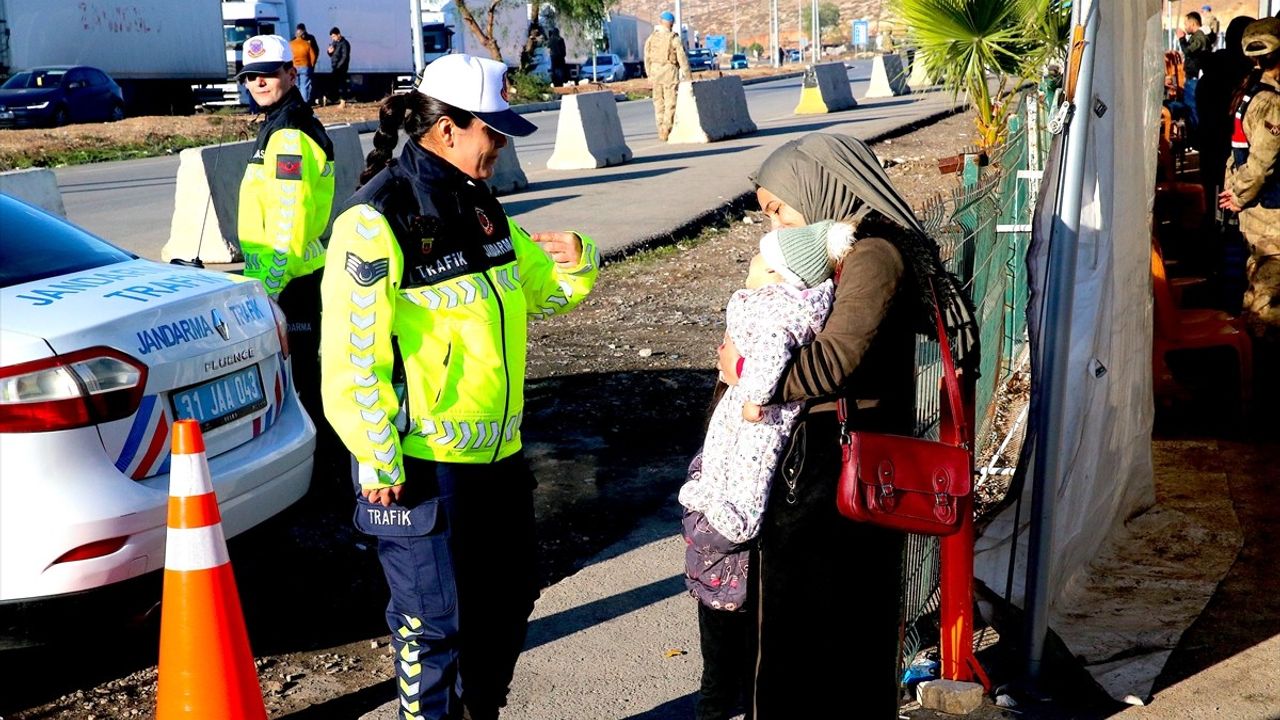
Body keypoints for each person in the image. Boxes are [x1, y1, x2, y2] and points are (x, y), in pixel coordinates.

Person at [319, 53, 601, 720]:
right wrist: (376, 454)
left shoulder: (482, 207)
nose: (502, 146)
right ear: (447, 130)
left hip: (500, 462)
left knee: (509, 604)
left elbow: (542, 297)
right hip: (423, 467)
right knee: (434, 632)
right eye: (493, 132)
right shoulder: (375, 218)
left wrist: (579, 260)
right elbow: (352, 354)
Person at [717, 133, 978, 717]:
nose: (775, 226)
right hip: (830, 458)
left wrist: (746, 371)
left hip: (828, 465)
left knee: (804, 627)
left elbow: (835, 358)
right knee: (832, 625)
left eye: (779, 208)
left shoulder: (873, 255)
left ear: (818, 188)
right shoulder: (838, 253)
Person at [680, 220, 852, 719]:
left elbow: (773, 350)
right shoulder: (779, 301)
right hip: (747, 431)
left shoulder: (778, 306)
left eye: (759, 259)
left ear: (779, 273)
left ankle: (724, 513)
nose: (749, 265)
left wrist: (750, 392)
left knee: (741, 481)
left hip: (760, 428)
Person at [235, 34, 334, 441]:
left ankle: (322, 468)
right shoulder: (282, 124)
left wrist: (269, 289)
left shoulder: (289, 134)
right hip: (294, 275)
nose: (258, 83)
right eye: (250, 77)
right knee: (303, 376)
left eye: (268, 75)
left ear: (292, 74)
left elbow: (288, 219)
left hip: (288, 281)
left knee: (302, 381)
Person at [1219, 18, 1280, 366]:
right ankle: (1266, 380)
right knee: (1269, 301)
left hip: (1257, 216)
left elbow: (1237, 157)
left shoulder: (1249, 91)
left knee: (1257, 287)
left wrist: (1235, 192)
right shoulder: (1270, 101)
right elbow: (1260, 164)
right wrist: (1240, 194)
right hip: (1270, 217)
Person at [1197, 16, 1256, 204]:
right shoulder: (1246, 79)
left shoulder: (1210, 73)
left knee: (1212, 199)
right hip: (1232, 150)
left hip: (1210, 147)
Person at [643, 11, 690, 141]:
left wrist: (649, 74)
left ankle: (660, 127)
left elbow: (646, 57)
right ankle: (666, 128)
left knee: (658, 103)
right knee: (670, 103)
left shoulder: (652, 38)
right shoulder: (674, 38)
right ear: (672, 24)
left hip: (655, 71)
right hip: (669, 71)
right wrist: (687, 74)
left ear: (660, 21)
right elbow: (681, 57)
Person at [290, 25, 318, 103]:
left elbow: (288, 56)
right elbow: (313, 56)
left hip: (294, 67)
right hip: (305, 67)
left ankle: (296, 102)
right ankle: (304, 103)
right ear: (303, 35)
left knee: (296, 86)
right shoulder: (307, 43)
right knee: (304, 86)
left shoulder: (291, 44)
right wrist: (311, 65)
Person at [327, 26, 351, 106]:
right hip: (335, 67)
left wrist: (339, 66)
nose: (333, 38)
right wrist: (329, 52)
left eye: (333, 36)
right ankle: (334, 99)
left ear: (338, 34)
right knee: (334, 84)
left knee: (342, 84)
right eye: (331, 37)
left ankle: (343, 101)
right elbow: (333, 54)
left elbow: (345, 56)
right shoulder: (335, 43)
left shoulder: (344, 43)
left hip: (341, 68)